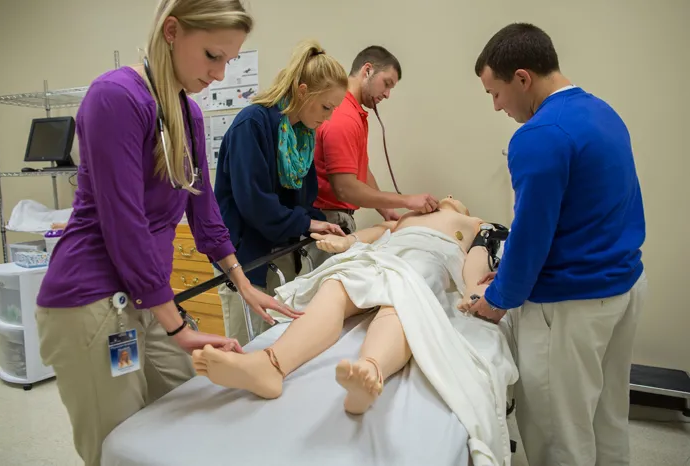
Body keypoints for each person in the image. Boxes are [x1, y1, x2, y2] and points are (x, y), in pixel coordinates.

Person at [33, 2, 299, 465]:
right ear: (172, 31)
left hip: (144, 296)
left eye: (229, 61)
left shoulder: (187, 113)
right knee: (118, 445)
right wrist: (176, 325)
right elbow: (125, 223)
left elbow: (204, 211)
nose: (219, 74)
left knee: (190, 405)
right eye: (212, 55)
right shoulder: (115, 98)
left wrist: (243, 282)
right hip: (92, 301)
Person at [193, 196, 519, 465]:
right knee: (336, 285)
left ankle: (370, 370)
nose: (447, 197)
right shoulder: (402, 220)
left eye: (454, 197)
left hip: (427, 259)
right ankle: (271, 364)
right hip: (379, 258)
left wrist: (470, 292)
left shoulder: (474, 224)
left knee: (402, 301)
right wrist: (344, 241)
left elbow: (477, 256)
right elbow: (373, 233)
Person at [466, 23, 648, 466]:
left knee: (558, 433)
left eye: (496, 93)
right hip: (621, 287)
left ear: (523, 78)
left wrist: (498, 298)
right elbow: (584, 214)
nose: (496, 107)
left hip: (569, 306)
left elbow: (531, 234)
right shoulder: (603, 112)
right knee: (607, 418)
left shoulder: (538, 135)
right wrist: (507, 271)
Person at [213, 40, 348, 345]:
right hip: (246, 262)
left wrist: (320, 224)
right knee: (248, 349)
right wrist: (306, 223)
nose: (327, 117)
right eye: (326, 107)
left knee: (281, 345)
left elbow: (303, 199)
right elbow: (255, 203)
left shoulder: (301, 137)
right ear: (303, 91)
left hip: (281, 256)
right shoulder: (253, 125)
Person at [312, 45, 439, 236]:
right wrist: (407, 200)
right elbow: (345, 189)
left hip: (338, 218)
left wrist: (385, 209)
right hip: (328, 221)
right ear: (367, 70)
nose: (387, 94)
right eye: (386, 83)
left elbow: (361, 170)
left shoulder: (354, 113)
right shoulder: (344, 116)